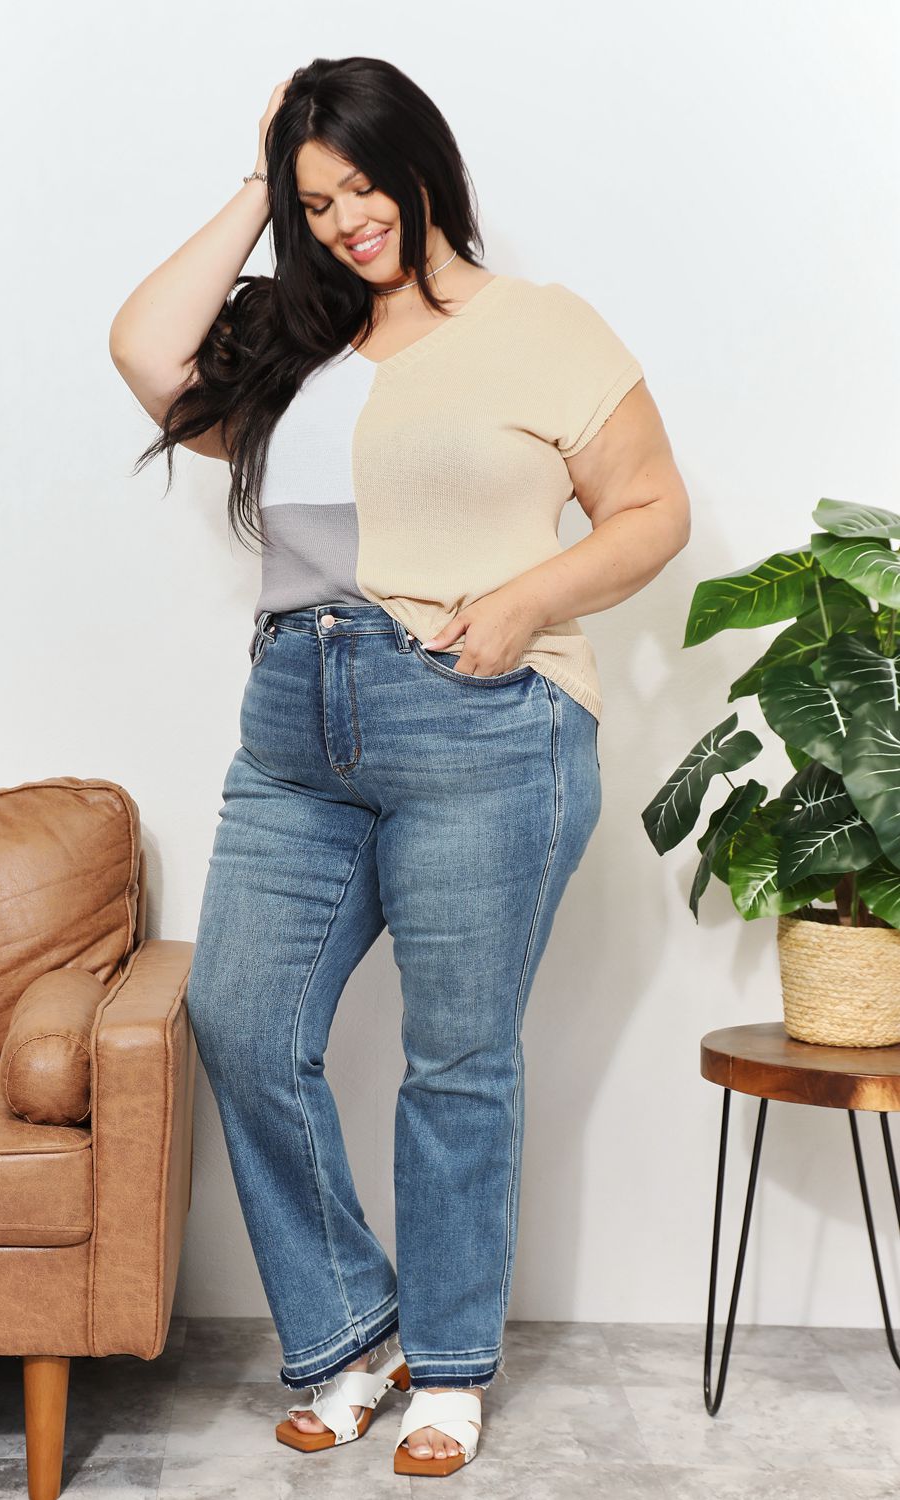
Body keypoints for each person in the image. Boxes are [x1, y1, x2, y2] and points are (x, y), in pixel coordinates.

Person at [109, 54, 690, 1479]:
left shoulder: (544, 330)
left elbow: (653, 508)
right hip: (294, 730)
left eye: (364, 183)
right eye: (320, 200)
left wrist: (529, 602)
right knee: (244, 1021)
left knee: (456, 1061)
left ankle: (448, 1369)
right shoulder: (290, 340)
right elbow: (142, 349)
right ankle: (351, 1336)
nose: (350, 218)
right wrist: (260, 181)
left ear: (423, 165)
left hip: (481, 719)